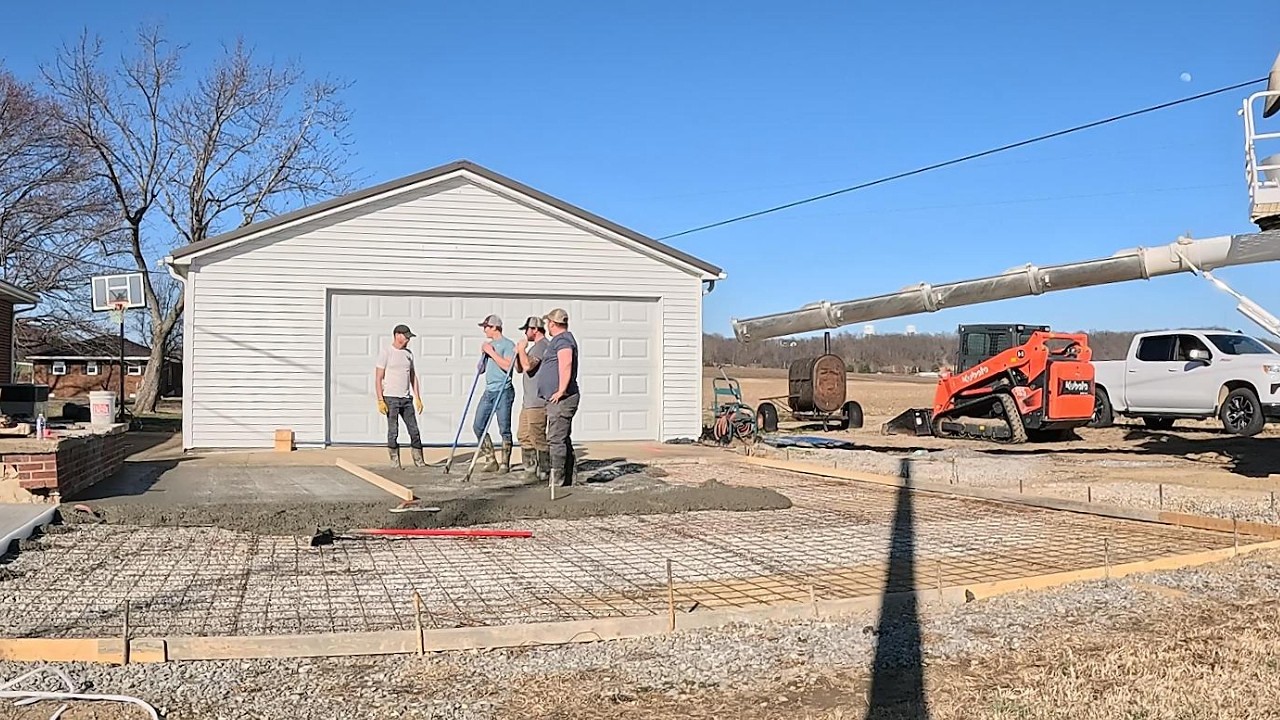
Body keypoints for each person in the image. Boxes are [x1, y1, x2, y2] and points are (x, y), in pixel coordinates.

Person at [538, 308, 580, 486]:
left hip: (562, 399)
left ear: (552, 324)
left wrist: (561, 390)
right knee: (562, 437)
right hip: (558, 398)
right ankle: (570, 478)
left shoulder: (562, 340)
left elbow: (566, 361)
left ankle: (557, 483)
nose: (547, 325)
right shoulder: (561, 339)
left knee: (556, 439)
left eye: (548, 322)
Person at [374, 324, 425, 469]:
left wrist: (418, 397)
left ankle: (419, 460)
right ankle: (394, 461)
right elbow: (378, 377)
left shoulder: (408, 354)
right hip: (390, 398)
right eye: (406, 336)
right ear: (397, 335)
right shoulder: (386, 353)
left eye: (409, 337)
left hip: (406, 399)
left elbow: (413, 376)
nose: (408, 340)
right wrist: (380, 400)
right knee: (393, 431)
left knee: (414, 430)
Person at [474, 314, 516, 473]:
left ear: (494, 327)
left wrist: (491, 352)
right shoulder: (489, 345)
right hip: (489, 391)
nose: (484, 330)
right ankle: (490, 458)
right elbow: (481, 370)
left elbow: (508, 366)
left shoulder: (508, 344)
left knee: (504, 427)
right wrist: (483, 356)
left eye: (486, 327)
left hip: (503, 390)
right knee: (478, 425)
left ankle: (505, 462)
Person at [515, 316, 550, 481]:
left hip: (538, 401)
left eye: (527, 329)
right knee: (523, 435)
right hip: (527, 401)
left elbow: (529, 366)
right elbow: (520, 368)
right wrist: (518, 354)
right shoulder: (533, 348)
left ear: (535, 329)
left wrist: (522, 350)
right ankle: (530, 469)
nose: (525, 333)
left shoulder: (543, 347)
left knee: (538, 437)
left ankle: (545, 471)